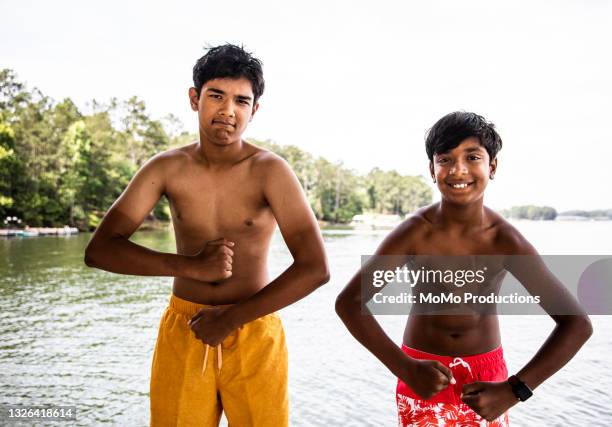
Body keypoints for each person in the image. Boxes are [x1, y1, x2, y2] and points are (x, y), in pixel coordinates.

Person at [84, 44, 329, 427]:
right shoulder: (166, 168)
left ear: (254, 110)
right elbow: (100, 251)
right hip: (185, 329)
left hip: (253, 328)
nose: (228, 111)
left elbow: (315, 268)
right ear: (194, 98)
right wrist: (189, 267)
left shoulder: (271, 171)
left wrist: (232, 318)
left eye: (241, 101)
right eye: (216, 96)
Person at [335, 111, 592, 426]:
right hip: (422, 376)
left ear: (492, 166)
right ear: (432, 168)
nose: (459, 170)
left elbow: (576, 324)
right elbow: (349, 303)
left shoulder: (505, 241)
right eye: (445, 159)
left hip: (488, 384)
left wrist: (515, 390)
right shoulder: (415, 233)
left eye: (472, 157)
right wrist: (405, 368)